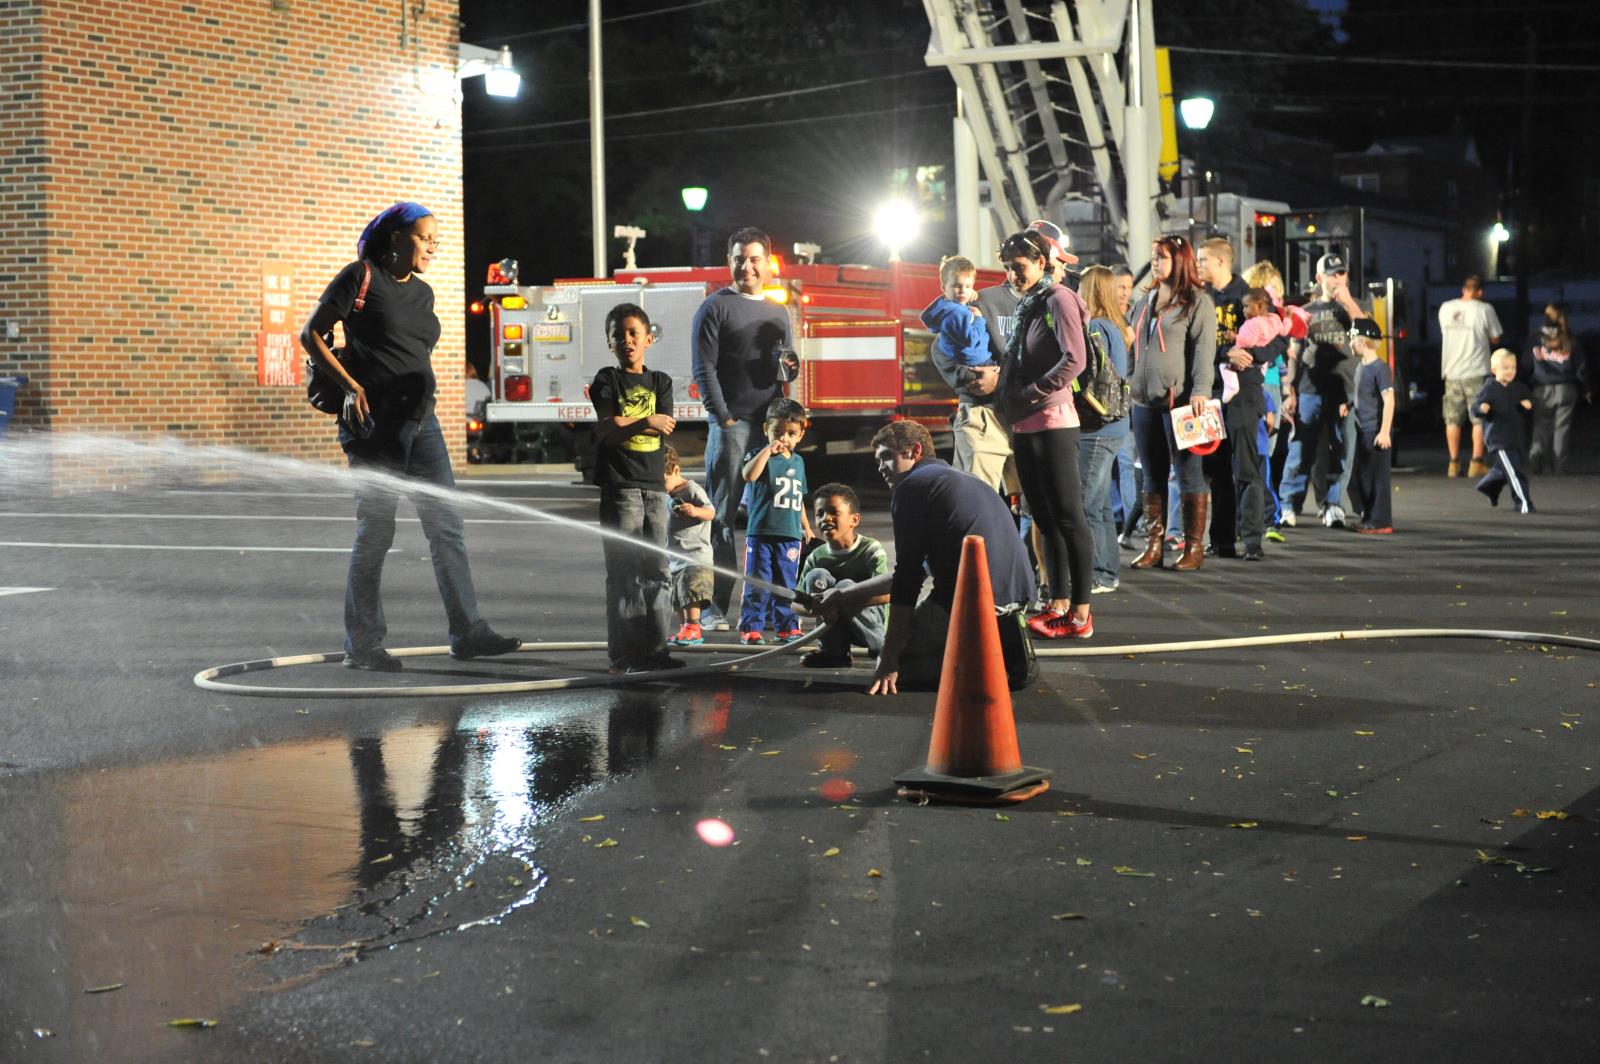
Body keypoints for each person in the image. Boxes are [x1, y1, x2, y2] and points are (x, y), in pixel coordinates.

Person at [300, 201, 518, 672]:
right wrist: (351, 386)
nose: (432, 247)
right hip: (374, 430)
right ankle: (362, 644)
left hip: (424, 425)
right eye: (425, 237)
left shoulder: (423, 294)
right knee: (376, 532)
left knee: (448, 530)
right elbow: (311, 334)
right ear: (397, 238)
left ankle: (468, 632)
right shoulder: (360, 277)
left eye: (436, 239)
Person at [814, 420, 1036, 695]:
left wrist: (891, 658)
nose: (880, 466)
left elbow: (906, 583)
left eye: (886, 456)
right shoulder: (960, 480)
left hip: (974, 606)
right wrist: (842, 596)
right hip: (1014, 607)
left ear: (914, 450)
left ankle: (984, 665)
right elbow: (911, 573)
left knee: (897, 668)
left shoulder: (911, 488)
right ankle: (989, 650)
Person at [994, 228, 1095, 638]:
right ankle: (1059, 602)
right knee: (1044, 518)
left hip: (1053, 423)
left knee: (1069, 517)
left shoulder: (1057, 299)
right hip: (1026, 424)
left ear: (1041, 262)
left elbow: (1076, 360)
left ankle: (1082, 615)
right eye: (1007, 269)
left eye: (1018, 268)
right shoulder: (1030, 304)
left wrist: (1032, 393)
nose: (1012, 276)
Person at [691, 227, 793, 633]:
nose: (746, 265)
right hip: (732, 427)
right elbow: (704, 368)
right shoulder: (715, 308)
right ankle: (715, 606)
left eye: (754, 258)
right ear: (729, 261)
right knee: (722, 515)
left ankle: (768, 609)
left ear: (767, 263)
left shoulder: (777, 311)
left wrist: (785, 413)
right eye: (739, 257)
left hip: (769, 430)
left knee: (770, 518)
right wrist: (723, 417)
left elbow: (783, 369)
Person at [591, 302, 683, 673]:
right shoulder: (606, 379)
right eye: (618, 334)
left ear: (649, 337)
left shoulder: (660, 381)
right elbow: (604, 430)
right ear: (609, 342)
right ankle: (626, 654)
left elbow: (667, 426)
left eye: (633, 333)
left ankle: (656, 650)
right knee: (626, 571)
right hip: (621, 487)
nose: (626, 340)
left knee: (658, 570)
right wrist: (646, 419)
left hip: (654, 488)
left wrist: (624, 421)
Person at [1127, 235, 1216, 571]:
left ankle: (1193, 548)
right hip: (1143, 402)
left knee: (1189, 474)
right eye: (1153, 256)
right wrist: (1128, 382)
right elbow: (1135, 347)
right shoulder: (1147, 298)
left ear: (1179, 260)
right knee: (1152, 476)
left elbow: (1204, 352)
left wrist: (1200, 391)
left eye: (1162, 257)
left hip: (1181, 403)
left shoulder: (1197, 301)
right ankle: (1154, 545)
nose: (1155, 262)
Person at [1278, 253, 1368, 528]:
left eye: (1341, 274)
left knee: (1342, 450)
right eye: (1331, 275)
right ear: (1319, 279)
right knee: (1301, 449)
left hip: (1345, 390)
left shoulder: (1356, 308)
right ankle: (1289, 505)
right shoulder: (1307, 312)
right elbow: (1293, 354)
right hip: (1309, 390)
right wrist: (1289, 391)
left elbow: (1369, 339)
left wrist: (1348, 302)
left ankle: (1332, 504)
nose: (1337, 279)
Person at [1075, 265, 1133, 594]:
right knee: (1100, 505)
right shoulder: (1115, 327)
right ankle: (1108, 570)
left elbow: (1084, 375)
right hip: (1115, 423)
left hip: (1097, 425)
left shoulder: (1094, 327)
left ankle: (1099, 573)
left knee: (1086, 503)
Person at [738, 397, 814, 645]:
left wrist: (806, 526)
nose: (784, 438)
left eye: (791, 433)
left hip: (789, 535)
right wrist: (767, 451)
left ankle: (787, 627)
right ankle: (751, 627)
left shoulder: (800, 462)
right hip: (761, 533)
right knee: (758, 583)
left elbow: (798, 497)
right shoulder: (759, 455)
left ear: (800, 435)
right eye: (777, 432)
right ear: (766, 430)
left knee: (787, 584)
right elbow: (749, 475)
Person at [1222, 288, 1291, 559]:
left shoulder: (1266, 325)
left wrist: (1238, 350)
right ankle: (1223, 538)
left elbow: (1264, 353)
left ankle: (1252, 539)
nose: (1242, 311)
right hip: (1220, 397)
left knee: (1248, 472)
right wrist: (1229, 351)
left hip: (1245, 402)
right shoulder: (1208, 299)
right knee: (1219, 475)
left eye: (1247, 306)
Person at [796, 483, 889, 668]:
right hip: (834, 620)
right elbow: (796, 603)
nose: (825, 518)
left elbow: (889, 593)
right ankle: (833, 652)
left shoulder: (871, 549)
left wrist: (842, 597)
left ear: (854, 519)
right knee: (816, 576)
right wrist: (812, 606)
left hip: (869, 626)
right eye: (820, 513)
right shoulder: (816, 556)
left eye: (833, 512)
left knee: (846, 585)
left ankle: (881, 648)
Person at [1197, 237, 1249, 558]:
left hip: (1239, 395)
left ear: (1220, 262)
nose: (1198, 266)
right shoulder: (1200, 296)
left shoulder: (1246, 296)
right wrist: (1224, 352)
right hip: (1208, 390)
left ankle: (1233, 537)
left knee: (1238, 468)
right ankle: (1215, 538)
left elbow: (1260, 343)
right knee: (1212, 468)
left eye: (1203, 260)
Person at [1437, 275, 1503, 479]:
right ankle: (1476, 462)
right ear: (1480, 292)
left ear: (1462, 289)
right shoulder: (1485, 309)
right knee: (1478, 418)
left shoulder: (1446, 308)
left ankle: (1453, 463)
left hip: (1451, 371)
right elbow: (1495, 337)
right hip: (1476, 370)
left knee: (1452, 419)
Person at [1345, 319, 1396, 534]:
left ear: (1363, 342)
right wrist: (1347, 405)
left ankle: (1380, 520)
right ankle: (1367, 513)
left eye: (1352, 340)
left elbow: (1389, 400)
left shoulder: (1380, 368)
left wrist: (1384, 431)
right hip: (1361, 429)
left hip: (1374, 430)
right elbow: (1362, 395)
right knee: (1359, 475)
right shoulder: (1361, 366)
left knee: (1376, 477)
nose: (1350, 344)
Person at [1527, 303, 1590, 474]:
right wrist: (1586, 389)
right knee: (1561, 429)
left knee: (1541, 426)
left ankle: (1537, 461)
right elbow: (1581, 368)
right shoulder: (1570, 338)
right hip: (1566, 387)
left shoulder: (1536, 338)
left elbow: (1526, 364)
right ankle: (1559, 467)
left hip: (1542, 387)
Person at [663, 445, 716, 646]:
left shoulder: (691, 489)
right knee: (678, 595)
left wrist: (694, 510)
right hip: (675, 557)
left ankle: (693, 627)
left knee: (691, 592)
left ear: (675, 470)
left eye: (663, 480)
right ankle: (685, 629)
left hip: (695, 555)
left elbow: (711, 512)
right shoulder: (666, 494)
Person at [1473, 349, 1536, 514]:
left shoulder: (1519, 388)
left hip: (1517, 437)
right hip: (1498, 439)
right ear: (1494, 370)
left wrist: (1529, 404)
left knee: (1504, 470)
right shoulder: (1489, 389)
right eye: (1505, 368)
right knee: (1515, 472)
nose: (1510, 371)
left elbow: (1532, 401)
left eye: (1513, 368)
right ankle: (1523, 503)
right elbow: (1475, 408)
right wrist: (1482, 408)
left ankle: (1489, 486)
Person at [920, 254, 994, 378]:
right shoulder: (954, 313)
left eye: (968, 286)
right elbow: (970, 339)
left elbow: (961, 297)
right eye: (956, 286)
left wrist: (970, 293)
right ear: (943, 287)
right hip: (978, 362)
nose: (963, 291)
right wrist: (978, 319)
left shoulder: (947, 306)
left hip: (972, 360)